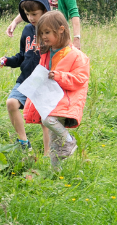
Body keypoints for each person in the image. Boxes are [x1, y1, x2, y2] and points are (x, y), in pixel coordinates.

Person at [23, 12, 90, 169]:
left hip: (65, 100)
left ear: (61, 30)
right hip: (50, 99)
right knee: (54, 142)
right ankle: (56, 173)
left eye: (47, 32)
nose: (43, 37)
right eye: (41, 33)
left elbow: (80, 79)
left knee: (48, 120)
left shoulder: (76, 56)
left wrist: (58, 76)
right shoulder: (47, 52)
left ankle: (69, 140)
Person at [0, 0, 50, 151]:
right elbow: (23, 55)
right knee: (11, 103)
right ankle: (23, 143)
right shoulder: (27, 30)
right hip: (26, 79)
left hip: (45, 81)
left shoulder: (52, 30)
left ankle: (48, 154)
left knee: (45, 120)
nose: (31, 18)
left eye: (35, 14)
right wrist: (8, 61)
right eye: (27, 14)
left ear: (45, 11)